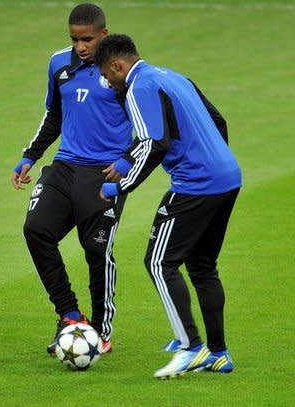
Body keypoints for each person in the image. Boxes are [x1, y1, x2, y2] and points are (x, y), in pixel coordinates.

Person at [95, 34, 241, 379]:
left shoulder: (138, 87)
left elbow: (154, 142)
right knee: (203, 266)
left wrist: (121, 185)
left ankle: (191, 347)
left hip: (197, 185)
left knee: (159, 262)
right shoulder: (173, 77)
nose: (108, 82)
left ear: (117, 65)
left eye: (107, 74)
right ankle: (218, 353)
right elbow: (218, 121)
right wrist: (215, 162)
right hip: (228, 177)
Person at [11, 3, 132, 355]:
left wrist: (126, 163)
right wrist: (30, 155)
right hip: (65, 168)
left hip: (105, 174)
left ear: (104, 35)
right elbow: (54, 115)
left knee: (96, 250)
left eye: (88, 39)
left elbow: (144, 125)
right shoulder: (59, 64)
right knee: (36, 230)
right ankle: (70, 315)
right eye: (75, 39)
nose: (81, 46)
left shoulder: (121, 70)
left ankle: (100, 329)